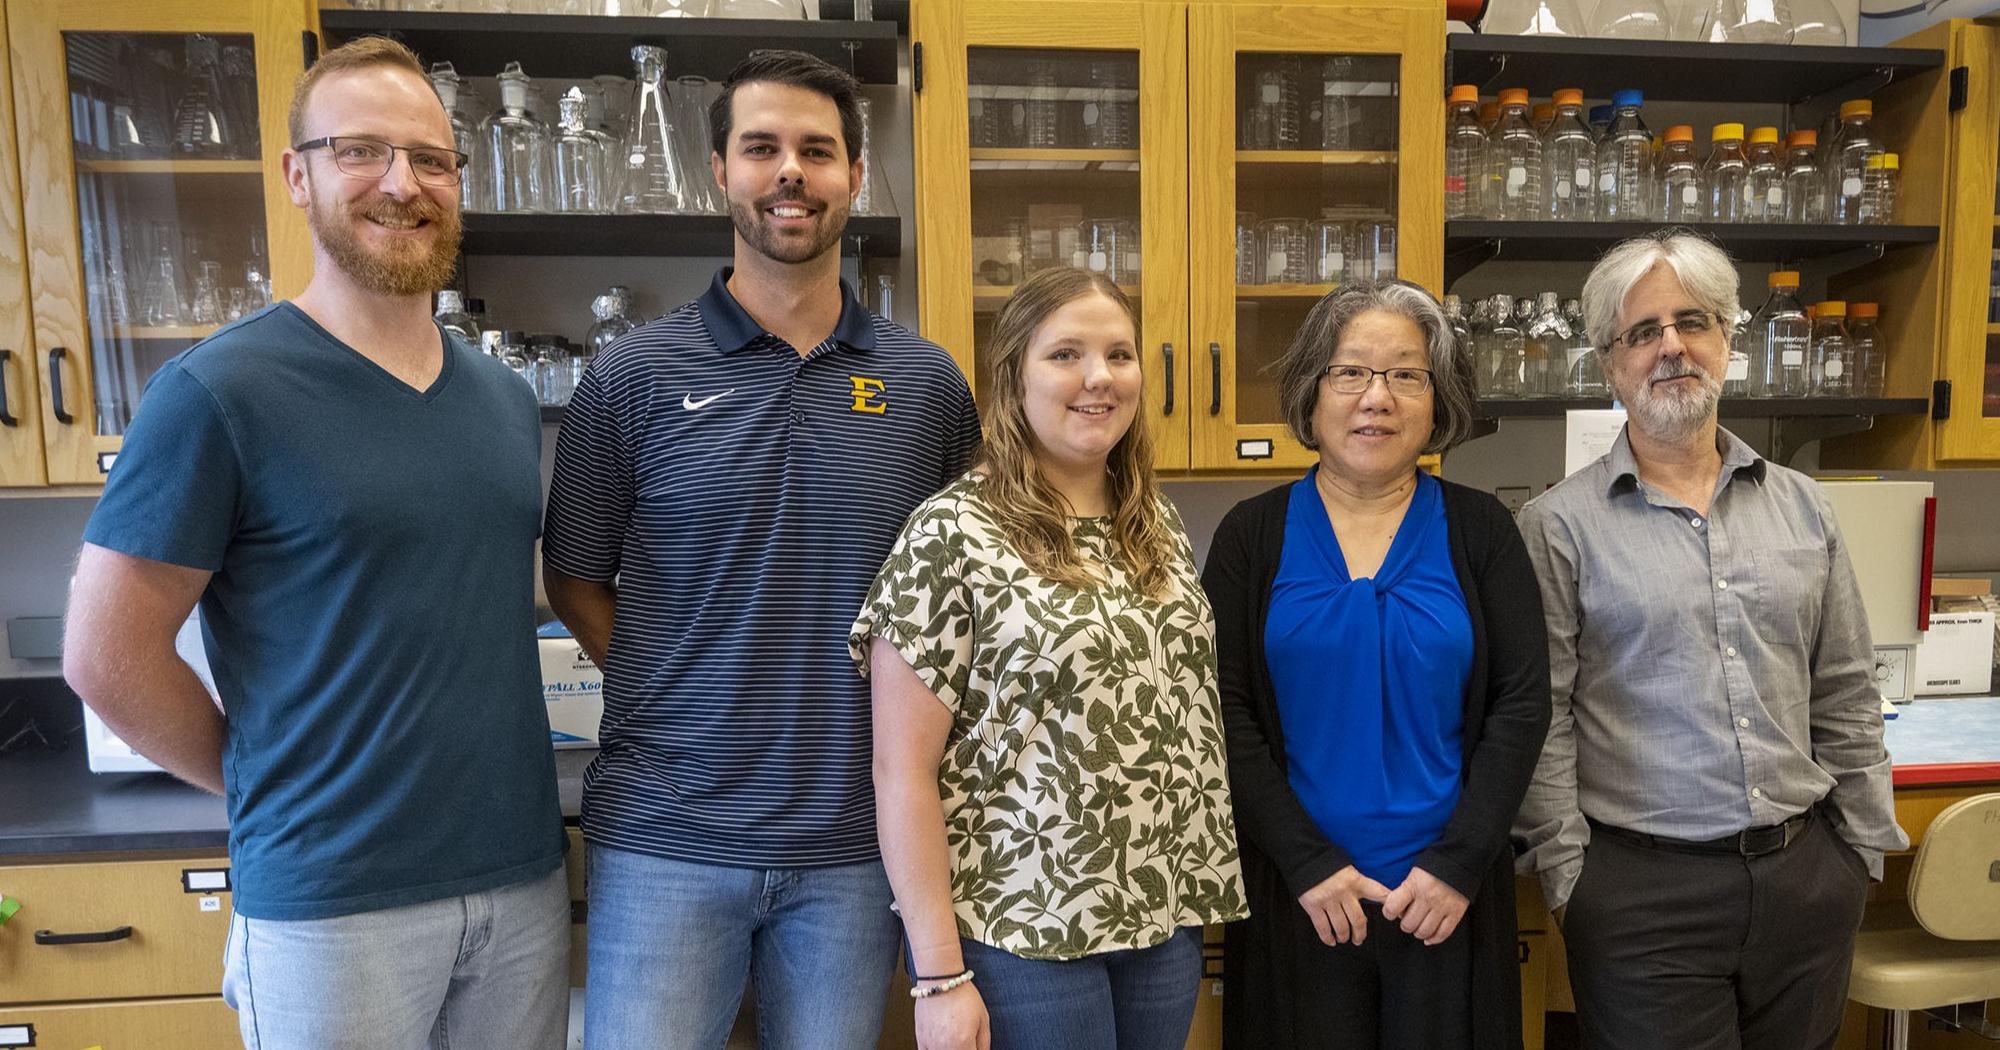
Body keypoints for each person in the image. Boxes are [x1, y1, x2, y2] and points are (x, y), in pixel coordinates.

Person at [62, 36, 568, 1050]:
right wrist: (268, 783)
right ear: (298, 176)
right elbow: (105, 657)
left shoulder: (505, 401)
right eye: (361, 151)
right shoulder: (216, 392)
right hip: (329, 904)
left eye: (431, 159)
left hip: (519, 881)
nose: (402, 183)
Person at [541, 49, 982, 1050]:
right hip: (664, 837)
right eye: (761, 147)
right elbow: (572, 577)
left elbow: (959, 606)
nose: (790, 171)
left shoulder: (927, 387)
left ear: (855, 177)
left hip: (855, 847)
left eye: (817, 151)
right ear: (720, 172)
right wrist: (672, 684)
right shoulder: (632, 376)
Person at [1513, 230, 1908, 1050]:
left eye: (1692, 322)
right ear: (1609, 364)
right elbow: (1542, 720)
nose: (1671, 347)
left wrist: (1859, 850)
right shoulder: (1556, 527)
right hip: (1639, 895)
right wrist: (1572, 882)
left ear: (1728, 339)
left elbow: (1844, 688)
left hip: (1807, 878)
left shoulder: (1804, 507)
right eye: (1642, 332)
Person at [854, 267, 1246, 1050]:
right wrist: (938, 977)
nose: (1100, 377)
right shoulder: (950, 532)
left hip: (1160, 917)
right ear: (1013, 377)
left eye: (1119, 355)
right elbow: (901, 771)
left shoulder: (1155, 524)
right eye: (1066, 354)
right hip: (1020, 926)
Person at [1202, 279, 1551, 1050]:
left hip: (1447, 905)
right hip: (1301, 898)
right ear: (1312, 393)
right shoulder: (1249, 538)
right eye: (1351, 371)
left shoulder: (1483, 531)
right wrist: (1306, 862)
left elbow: (1522, 703)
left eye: (1405, 375)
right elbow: (1222, 711)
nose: (1377, 397)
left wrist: (1457, 864)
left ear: (1436, 401)